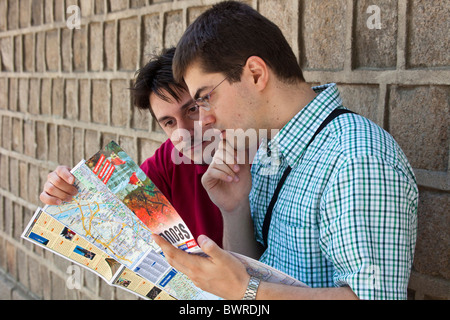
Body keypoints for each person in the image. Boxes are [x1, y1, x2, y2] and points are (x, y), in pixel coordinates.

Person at [152, 1, 418, 300]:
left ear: (255, 73)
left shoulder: (357, 159)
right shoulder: (270, 148)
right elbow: (255, 269)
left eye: (205, 98)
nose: (203, 119)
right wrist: (234, 208)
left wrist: (245, 291)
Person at [39, 48, 224, 247]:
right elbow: (111, 215)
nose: (184, 133)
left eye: (192, 109)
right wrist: (66, 190)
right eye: (169, 122)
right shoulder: (167, 161)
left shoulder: (256, 147)